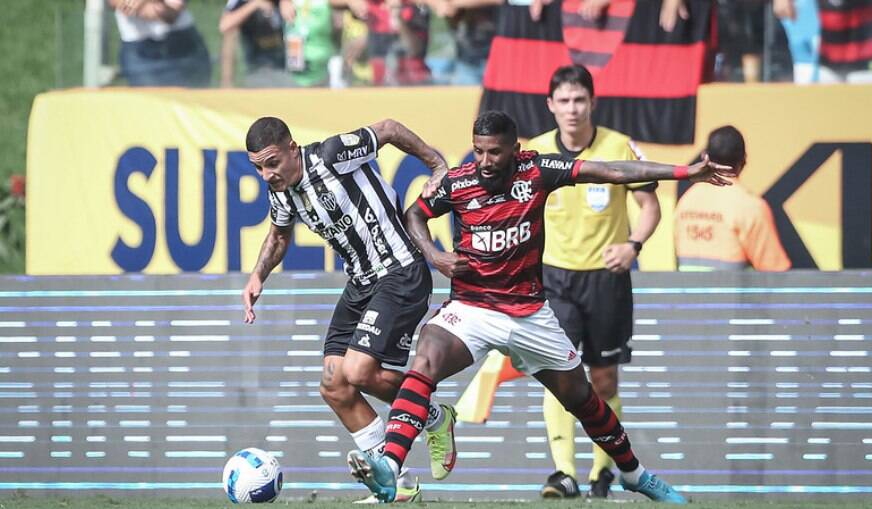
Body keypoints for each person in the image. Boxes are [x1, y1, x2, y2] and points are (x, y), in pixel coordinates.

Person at [347, 110, 734, 504]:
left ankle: (634, 474)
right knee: (426, 358)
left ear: (515, 150)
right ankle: (391, 466)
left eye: (494, 153)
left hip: (529, 314)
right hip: (472, 307)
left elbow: (611, 171)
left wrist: (685, 173)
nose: (484, 162)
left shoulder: (537, 171)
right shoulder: (457, 182)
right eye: (478, 151)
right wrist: (436, 255)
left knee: (583, 399)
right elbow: (414, 214)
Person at [241, 116, 456, 502]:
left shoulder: (332, 154)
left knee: (358, 371)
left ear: (292, 148)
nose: (266, 174)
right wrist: (258, 276)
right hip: (361, 284)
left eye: (271, 162)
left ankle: (436, 418)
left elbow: (388, 128)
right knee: (334, 385)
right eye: (258, 167)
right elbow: (278, 234)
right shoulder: (283, 192)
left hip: (400, 271)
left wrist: (436, 164)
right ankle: (398, 483)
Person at [524, 64, 660, 499]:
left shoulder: (618, 146)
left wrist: (633, 245)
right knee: (558, 375)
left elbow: (650, 206)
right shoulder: (535, 151)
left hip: (606, 279)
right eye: (563, 101)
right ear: (550, 106)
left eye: (579, 100)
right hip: (555, 280)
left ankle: (603, 471)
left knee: (603, 381)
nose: (572, 109)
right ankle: (563, 472)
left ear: (593, 102)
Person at [674, 125, 791, 271]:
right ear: (743, 161)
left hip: (686, 293)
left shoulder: (686, 200)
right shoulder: (750, 206)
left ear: (705, 156)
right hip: (733, 293)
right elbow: (774, 271)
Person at [110, 0, 211, 87]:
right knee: (150, 105)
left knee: (194, 105)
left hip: (183, 47)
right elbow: (124, 5)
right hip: (139, 51)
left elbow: (170, 14)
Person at [219, 0, 298, 88]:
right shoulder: (240, 2)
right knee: (230, 34)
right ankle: (227, 81)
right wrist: (254, 4)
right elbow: (225, 26)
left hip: (289, 69)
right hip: (258, 70)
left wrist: (286, 2)